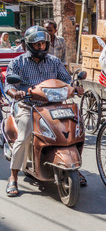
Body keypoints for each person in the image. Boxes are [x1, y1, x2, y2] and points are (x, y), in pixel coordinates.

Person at [4, 26, 85, 197]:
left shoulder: (54, 61)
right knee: (25, 134)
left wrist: (75, 87)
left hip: (55, 105)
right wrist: (16, 92)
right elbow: (9, 85)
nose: (41, 47)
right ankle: (13, 177)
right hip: (28, 105)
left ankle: (73, 167)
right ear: (29, 45)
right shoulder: (18, 62)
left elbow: (66, 80)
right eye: (37, 44)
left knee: (74, 131)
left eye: (43, 44)